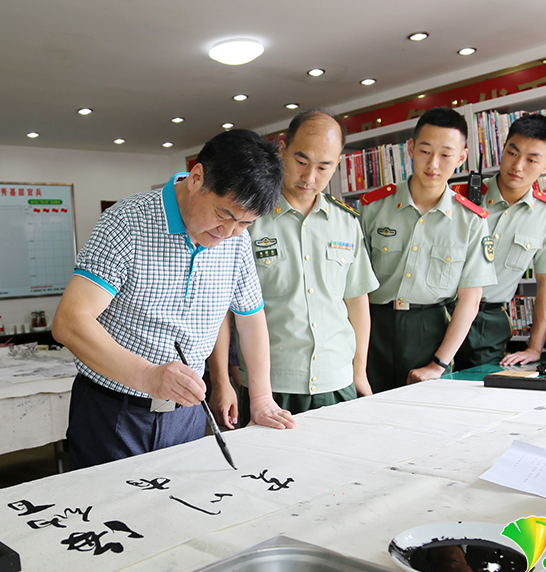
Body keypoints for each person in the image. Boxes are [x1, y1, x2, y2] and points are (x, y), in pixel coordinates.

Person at [52, 129, 297, 470]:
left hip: (190, 415)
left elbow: (251, 319)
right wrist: (148, 376)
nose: (228, 233)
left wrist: (261, 398)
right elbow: (69, 322)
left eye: (245, 222)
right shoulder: (127, 223)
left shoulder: (237, 241)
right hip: (114, 413)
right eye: (224, 215)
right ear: (197, 178)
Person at [209, 110, 378, 428]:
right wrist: (221, 380)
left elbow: (357, 302)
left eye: (324, 166)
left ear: (337, 164)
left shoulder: (347, 223)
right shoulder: (247, 221)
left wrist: (359, 372)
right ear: (282, 149)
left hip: (338, 381)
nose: (310, 177)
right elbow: (221, 312)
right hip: (271, 388)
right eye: (301, 161)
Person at [359, 107, 497, 392]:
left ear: (461, 157)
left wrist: (438, 364)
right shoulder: (373, 208)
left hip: (431, 331)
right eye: (425, 151)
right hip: (372, 328)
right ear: (410, 148)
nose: (433, 163)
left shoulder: (470, 221)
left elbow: (470, 302)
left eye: (446, 154)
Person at [452, 114, 546, 369]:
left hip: (487, 323)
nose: (518, 166)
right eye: (512, 153)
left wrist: (535, 347)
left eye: (531, 160)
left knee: (475, 394)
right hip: (438, 311)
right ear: (503, 149)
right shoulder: (459, 197)